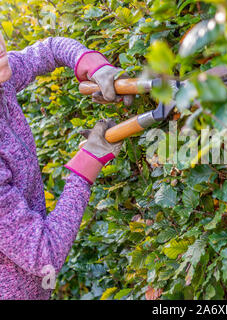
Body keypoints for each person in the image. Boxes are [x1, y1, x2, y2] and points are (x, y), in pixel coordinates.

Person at [0, 32, 131, 299]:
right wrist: (87, 163)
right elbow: (44, 253)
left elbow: (47, 51)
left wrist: (91, 63)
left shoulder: (3, 79)